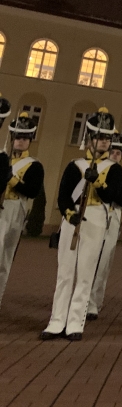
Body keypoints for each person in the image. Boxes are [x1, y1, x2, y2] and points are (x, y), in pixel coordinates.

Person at [42, 108, 122, 341]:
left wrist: (96, 179)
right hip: (73, 217)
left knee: (86, 272)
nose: (104, 142)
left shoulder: (113, 169)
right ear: (89, 139)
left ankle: (75, 322)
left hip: (97, 217)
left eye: (107, 138)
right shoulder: (74, 165)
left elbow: (111, 196)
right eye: (100, 137)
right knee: (65, 272)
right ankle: (57, 321)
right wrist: (69, 213)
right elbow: (64, 194)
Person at [87, 133, 122, 320]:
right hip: (94, 213)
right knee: (89, 257)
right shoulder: (98, 168)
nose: (115, 155)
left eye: (118, 153)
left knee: (104, 260)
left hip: (112, 216)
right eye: (113, 151)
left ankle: (95, 302)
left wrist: (108, 192)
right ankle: (83, 299)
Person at [0, 111, 44, 311]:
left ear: (30, 141)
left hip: (14, 209)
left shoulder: (34, 166)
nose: (20, 141)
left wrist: (11, 179)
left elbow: (32, 191)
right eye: (17, 137)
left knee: (5, 259)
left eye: (25, 138)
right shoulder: (2, 158)